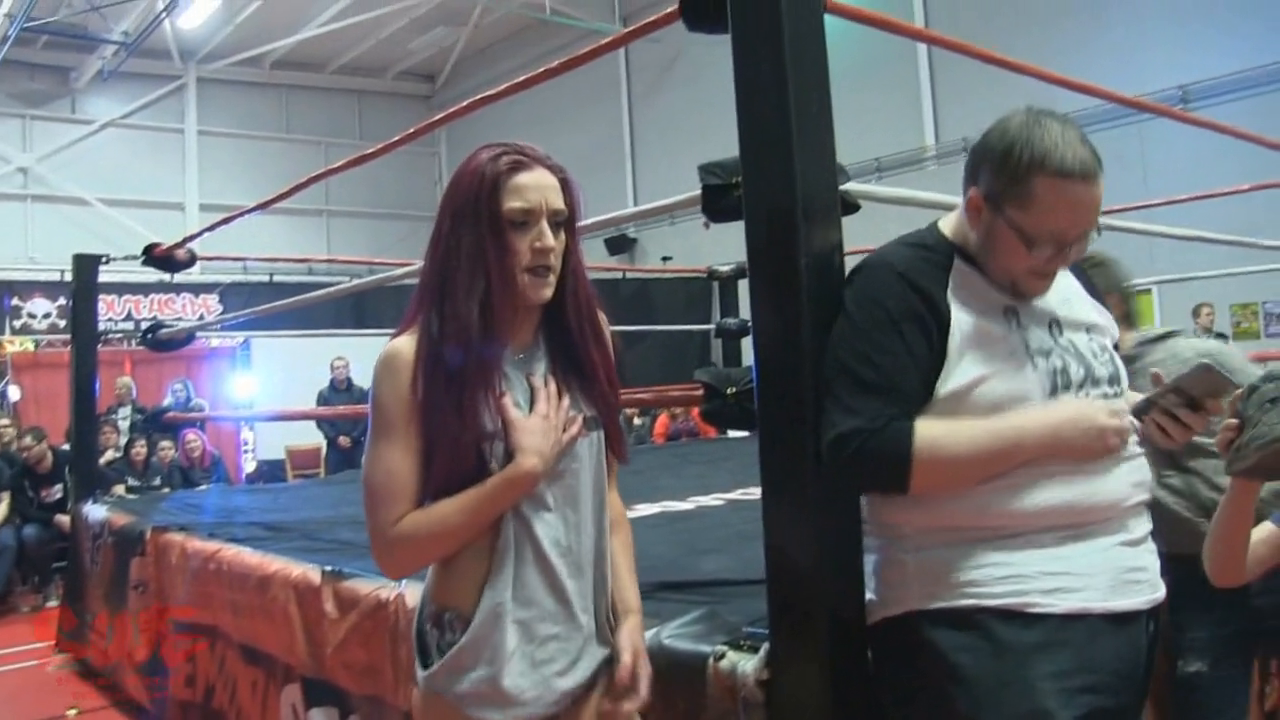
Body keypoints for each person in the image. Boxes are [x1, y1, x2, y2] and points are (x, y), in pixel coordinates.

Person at [821, 106, 1215, 718]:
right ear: (978, 209)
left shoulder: (1067, 279)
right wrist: (1045, 434)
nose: (1061, 256)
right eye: (1042, 241)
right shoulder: (901, 285)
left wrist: (1139, 411)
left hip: (1122, 594)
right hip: (987, 614)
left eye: (1082, 238)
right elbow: (862, 450)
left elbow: (1058, 394)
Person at [362, 142, 650, 719]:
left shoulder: (587, 338)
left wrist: (631, 617)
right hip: (475, 674)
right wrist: (521, 475)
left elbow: (608, 501)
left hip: (584, 659)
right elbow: (394, 549)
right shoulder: (412, 363)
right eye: (520, 223)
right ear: (473, 239)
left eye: (558, 223)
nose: (547, 242)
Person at [1075, 251, 1279, 719]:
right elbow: (1229, 567)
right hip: (1195, 560)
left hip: (1214, 557)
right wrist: (1246, 471)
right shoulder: (1084, 380)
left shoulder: (1197, 356)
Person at [11, 426, 72, 607]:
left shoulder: (69, 460)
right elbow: (25, 511)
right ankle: (47, 584)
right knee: (29, 534)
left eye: (28, 449)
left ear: (44, 443)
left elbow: (96, 479)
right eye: (21, 451)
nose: (24, 455)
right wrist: (55, 518)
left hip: (75, 516)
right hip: (44, 523)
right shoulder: (19, 475)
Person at [315, 356, 369, 476]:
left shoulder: (360, 392)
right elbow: (321, 421)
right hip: (334, 447)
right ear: (332, 372)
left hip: (356, 446)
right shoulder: (324, 394)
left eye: (344, 367)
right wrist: (336, 438)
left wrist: (353, 437)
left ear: (349, 370)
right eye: (337, 368)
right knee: (332, 483)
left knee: (358, 482)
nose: (341, 370)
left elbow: (365, 418)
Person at [104, 435, 174, 497]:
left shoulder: (156, 466)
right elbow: (119, 494)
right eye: (133, 447)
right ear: (127, 450)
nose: (138, 450)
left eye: (142, 447)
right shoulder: (118, 468)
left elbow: (166, 489)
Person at [101, 376, 148, 446]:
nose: (116, 392)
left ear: (130, 391)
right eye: (115, 389)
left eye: (120, 389)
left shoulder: (141, 411)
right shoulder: (111, 411)